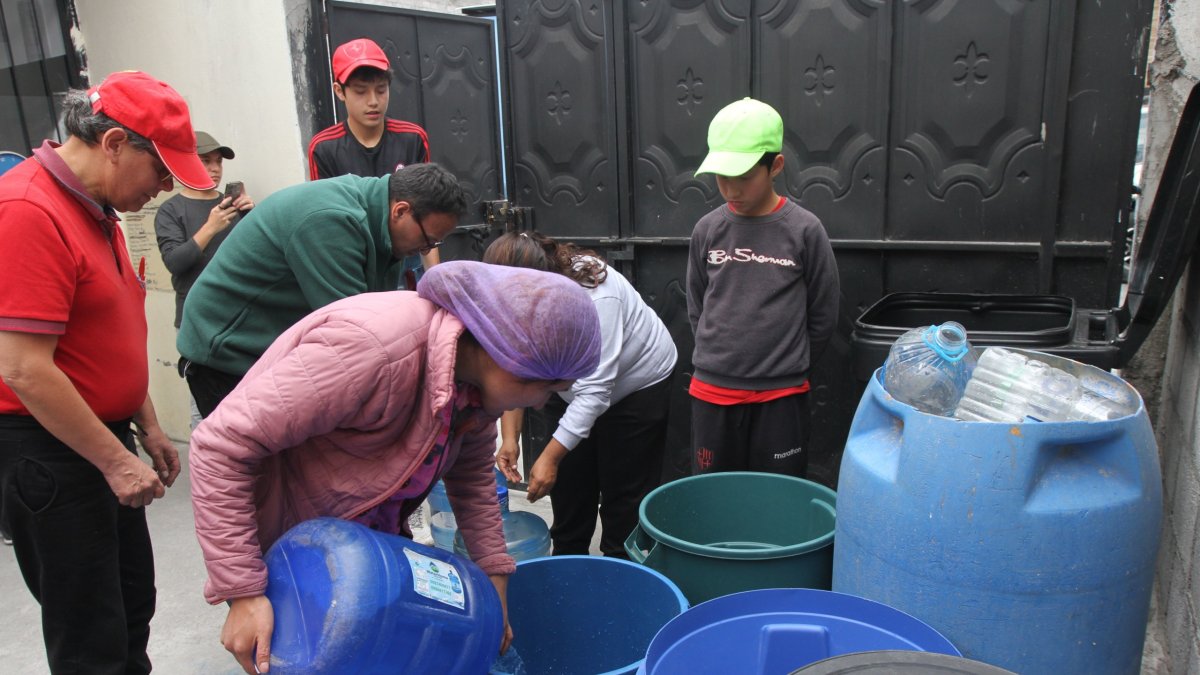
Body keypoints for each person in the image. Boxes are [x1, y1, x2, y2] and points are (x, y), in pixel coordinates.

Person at [189, 261, 601, 675]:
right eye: (543, 386)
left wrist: (494, 575)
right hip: (293, 554)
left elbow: (473, 478)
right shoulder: (372, 350)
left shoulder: (474, 388)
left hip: (365, 546)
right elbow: (220, 446)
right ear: (503, 351)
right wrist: (243, 591)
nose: (539, 404)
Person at [0, 70, 208, 674]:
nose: (165, 188)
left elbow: (100, 334)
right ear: (115, 143)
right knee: (90, 634)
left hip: (103, 436)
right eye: (161, 171)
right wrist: (115, 461)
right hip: (53, 451)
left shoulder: (95, 208)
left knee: (129, 610)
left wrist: (145, 420)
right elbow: (22, 367)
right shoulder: (28, 210)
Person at [177, 162, 467, 418]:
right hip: (224, 353)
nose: (426, 250)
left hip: (268, 352)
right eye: (428, 239)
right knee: (258, 474)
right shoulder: (330, 220)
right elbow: (360, 338)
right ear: (400, 210)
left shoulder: (385, 226)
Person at [485, 232, 677, 558]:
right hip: (566, 386)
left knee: (623, 496)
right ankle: (569, 561)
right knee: (570, 488)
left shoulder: (596, 298)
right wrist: (509, 437)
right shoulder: (509, 300)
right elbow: (515, 365)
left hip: (637, 384)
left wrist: (549, 456)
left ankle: (621, 566)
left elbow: (595, 392)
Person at [687, 97, 840, 478]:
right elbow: (696, 303)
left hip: (781, 396)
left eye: (744, 177)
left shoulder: (804, 230)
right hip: (713, 391)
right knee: (713, 495)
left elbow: (823, 314)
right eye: (722, 176)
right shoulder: (708, 230)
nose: (730, 189)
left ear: (776, 166)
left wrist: (786, 364)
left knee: (777, 497)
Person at [308, 37, 439, 277]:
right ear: (340, 91)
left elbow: (427, 211)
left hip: (407, 256)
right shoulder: (324, 148)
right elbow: (324, 222)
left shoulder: (412, 138)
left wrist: (436, 276)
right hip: (354, 260)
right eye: (360, 91)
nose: (373, 101)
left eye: (381, 90)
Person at [154, 131, 254, 329]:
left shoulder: (230, 204)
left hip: (237, 312)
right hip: (196, 317)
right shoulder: (171, 210)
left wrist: (252, 215)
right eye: (206, 161)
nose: (215, 169)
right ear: (188, 162)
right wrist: (210, 227)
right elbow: (175, 262)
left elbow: (255, 254)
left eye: (218, 162)